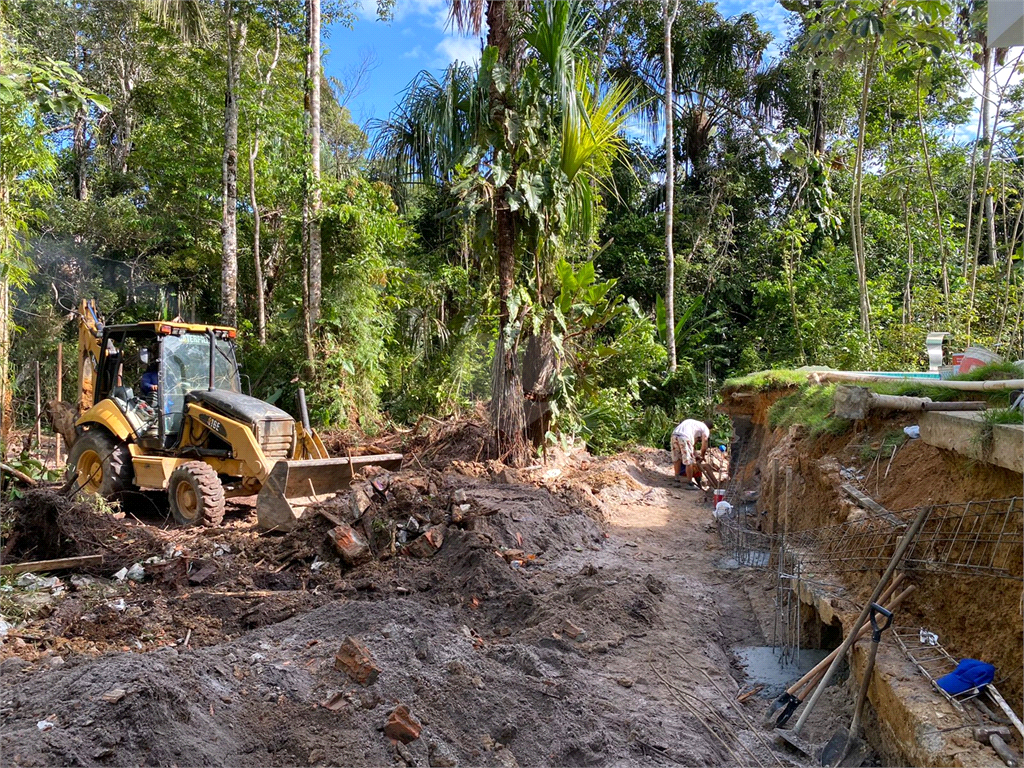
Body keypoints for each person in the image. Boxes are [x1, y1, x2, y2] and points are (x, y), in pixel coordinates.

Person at [671, 418, 710, 489]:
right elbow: (704, 445)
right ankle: (689, 483)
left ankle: (676, 479)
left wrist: (695, 454)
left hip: (675, 435)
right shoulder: (705, 429)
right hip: (685, 437)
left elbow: (692, 445)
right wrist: (702, 455)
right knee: (689, 461)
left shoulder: (693, 423)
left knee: (677, 458)